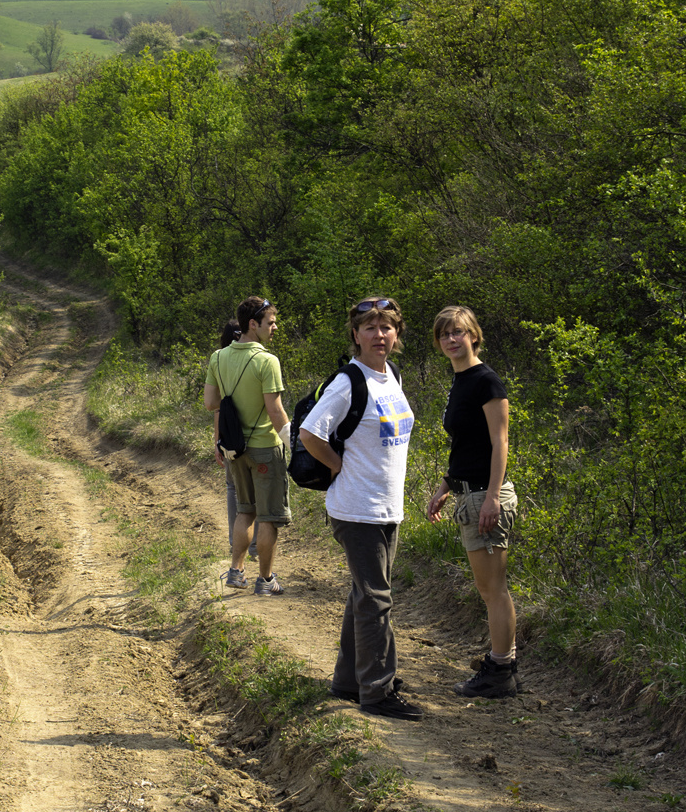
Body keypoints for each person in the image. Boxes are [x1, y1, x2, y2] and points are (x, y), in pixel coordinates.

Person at [299, 296, 421, 721]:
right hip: (356, 508)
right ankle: (378, 690)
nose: (379, 335)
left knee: (364, 596)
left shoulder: (391, 377)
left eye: (386, 327)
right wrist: (337, 466)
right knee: (376, 599)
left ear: (397, 334)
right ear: (355, 335)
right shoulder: (350, 381)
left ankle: (349, 680)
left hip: (387, 507)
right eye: (369, 327)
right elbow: (311, 431)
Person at [426, 306, 519, 698]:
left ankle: (501, 670)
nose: (451, 340)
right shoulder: (460, 380)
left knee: (493, 588)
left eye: (458, 332)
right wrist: (445, 484)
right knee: (487, 588)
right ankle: (502, 665)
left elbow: (500, 443)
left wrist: (493, 498)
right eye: (445, 334)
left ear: (474, 336)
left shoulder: (485, 380)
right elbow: (468, 443)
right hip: (468, 492)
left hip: (486, 494)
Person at [204, 296, 291, 595]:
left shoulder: (218, 357)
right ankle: (266, 581)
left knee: (245, 511)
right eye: (271, 322)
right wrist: (295, 442)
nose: (275, 327)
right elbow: (275, 410)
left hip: (236, 450)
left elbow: (210, 403)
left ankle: (236, 571)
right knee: (268, 516)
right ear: (253, 325)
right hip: (266, 447)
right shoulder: (267, 361)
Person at [215, 319, 258, 566]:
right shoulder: (256, 359)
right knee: (258, 491)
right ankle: (255, 544)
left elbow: (218, 407)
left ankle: (236, 541)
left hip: (230, 436)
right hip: (256, 435)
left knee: (233, 488)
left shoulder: (220, 360)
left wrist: (217, 441)